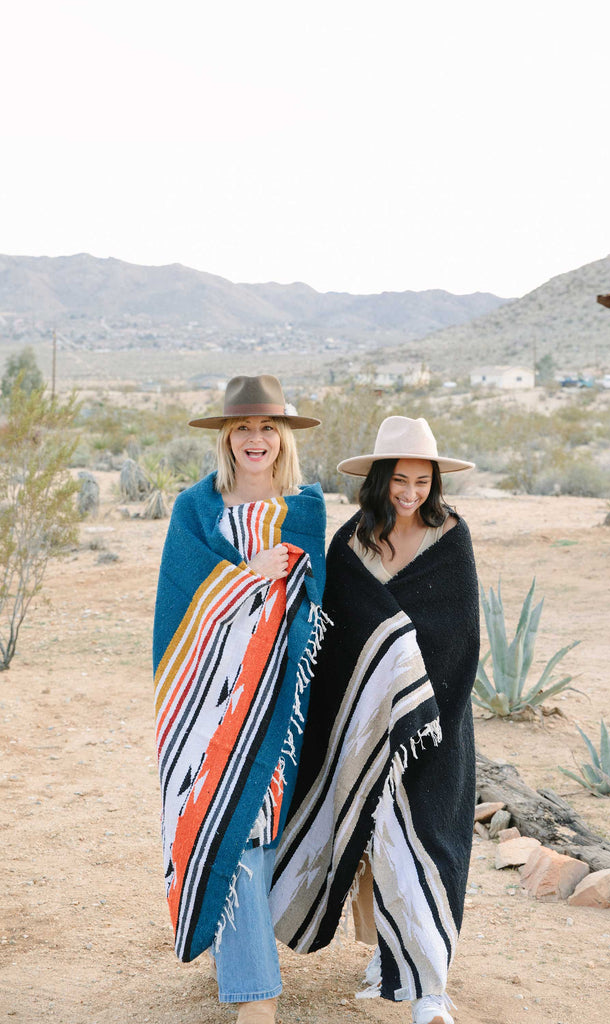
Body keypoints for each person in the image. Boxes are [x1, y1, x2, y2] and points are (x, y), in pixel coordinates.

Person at [270, 415, 480, 1024]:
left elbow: (460, 639)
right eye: (399, 480)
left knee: (427, 848)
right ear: (379, 480)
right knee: (370, 843)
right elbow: (335, 636)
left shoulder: (452, 539)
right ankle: (392, 960)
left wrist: (409, 695)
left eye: (422, 481)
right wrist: (380, 676)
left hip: (432, 727)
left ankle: (430, 989)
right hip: (361, 725)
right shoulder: (351, 544)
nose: (411, 492)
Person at [152, 374, 328, 1024]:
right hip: (204, 709)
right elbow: (177, 612)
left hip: (277, 706)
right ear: (226, 436)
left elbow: (314, 609)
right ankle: (256, 1000)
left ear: (283, 437)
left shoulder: (305, 509)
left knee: (253, 831)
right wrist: (244, 581)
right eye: (243, 428)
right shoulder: (196, 510)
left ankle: (248, 984)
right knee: (224, 826)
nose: (256, 439)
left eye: (267, 428)